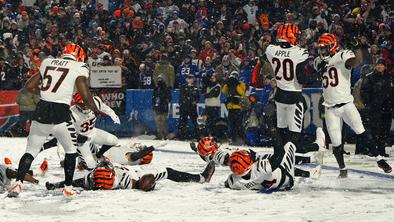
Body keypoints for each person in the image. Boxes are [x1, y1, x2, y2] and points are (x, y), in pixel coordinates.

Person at [7, 43, 100, 198]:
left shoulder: (48, 62)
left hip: (41, 112)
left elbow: (29, 85)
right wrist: (95, 109)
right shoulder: (79, 66)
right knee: (71, 151)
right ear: (79, 55)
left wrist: (43, 91)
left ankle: (18, 183)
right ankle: (68, 187)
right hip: (60, 114)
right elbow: (84, 93)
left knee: (30, 151)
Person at [314, 34, 392, 177]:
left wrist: (357, 48)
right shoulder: (318, 60)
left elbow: (357, 61)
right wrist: (320, 68)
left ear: (332, 47)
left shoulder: (342, 55)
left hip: (346, 104)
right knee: (336, 142)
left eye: (325, 48)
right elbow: (317, 74)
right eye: (321, 49)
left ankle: (379, 159)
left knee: (361, 131)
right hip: (330, 107)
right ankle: (342, 169)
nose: (322, 51)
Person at [264, 23, 321, 158]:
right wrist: (316, 75)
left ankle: (282, 156)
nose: (297, 37)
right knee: (294, 133)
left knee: (282, 130)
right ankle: (315, 147)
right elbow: (301, 79)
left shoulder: (270, 49)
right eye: (295, 35)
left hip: (279, 95)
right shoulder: (300, 52)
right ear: (290, 35)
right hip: (294, 96)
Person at [40, 92, 120, 170]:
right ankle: (80, 160)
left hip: (92, 132)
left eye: (86, 103)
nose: (85, 106)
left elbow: (105, 108)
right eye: (81, 104)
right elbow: (63, 134)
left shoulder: (96, 102)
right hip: (81, 140)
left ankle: (98, 155)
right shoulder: (71, 113)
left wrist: (113, 115)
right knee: (91, 165)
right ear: (76, 104)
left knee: (114, 140)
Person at [45, 160, 215, 192]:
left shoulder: (95, 180)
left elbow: (76, 182)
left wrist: (56, 185)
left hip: (119, 169)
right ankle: (201, 178)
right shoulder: (124, 182)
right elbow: (142, 183)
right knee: (168, 172)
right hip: (132, 173)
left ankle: (201, 177)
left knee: (79, 179)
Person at [224, 142, 319, 191]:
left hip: (276, 184)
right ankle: (317, 147)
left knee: (277, 163)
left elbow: (227, 184)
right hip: (285, 179)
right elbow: (280, 154)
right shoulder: (260, 170)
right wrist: (274, 132)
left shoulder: (233, 181)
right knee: (290, 145)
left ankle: (311, 172)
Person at [360, 59, 393, 159]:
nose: (379, 66)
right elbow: (364, 92)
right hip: (374, 109)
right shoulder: (369, 77)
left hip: (387, 109)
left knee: (385, 131)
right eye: (378, 64)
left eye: (381, 65)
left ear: (385, 67)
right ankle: (374, 151)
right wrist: (369, 104)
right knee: (375, 131)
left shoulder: (389, 78)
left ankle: (382, 150)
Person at [222, 71, 246, 145]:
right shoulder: (229, 84)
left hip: (238, 107)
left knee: (238, 125)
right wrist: (227, 83)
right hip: (230, 107)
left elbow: (242, 93)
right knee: (231, 124)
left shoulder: (241, 84)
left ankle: (239, 139)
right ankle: (232, 139)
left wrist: (237, 84)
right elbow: (224, 91)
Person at [177, 74, 199, 140]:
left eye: (191, 78)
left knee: (195, 121)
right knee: (183, 122)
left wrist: (195, 101)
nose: (190, 80)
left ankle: (197, 136)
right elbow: (182, 97)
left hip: (192, 107)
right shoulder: (183, 87)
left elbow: (198, 97)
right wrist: (187, 101)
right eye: (189, 78)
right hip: (184, 107)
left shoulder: (195, 88)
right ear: (186, 79)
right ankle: (182, 136)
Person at [152, 74, 171, 140]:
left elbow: (169, 98)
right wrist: (154, 106)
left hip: (163, 107)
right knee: (158, 122)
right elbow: (153, 98)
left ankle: (165, 135)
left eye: (161, 79)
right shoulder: (156, 88)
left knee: (163, 121)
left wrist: (164, 102)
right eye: (158, 79)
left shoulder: (166, 88)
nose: (159, 80)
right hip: (157, 107)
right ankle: (159, 135)